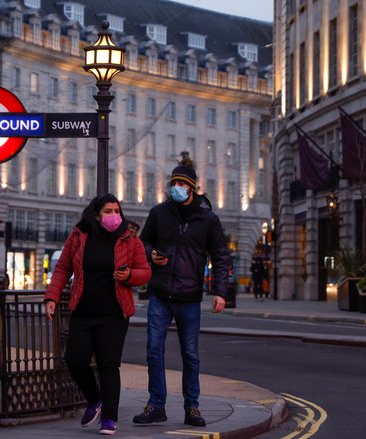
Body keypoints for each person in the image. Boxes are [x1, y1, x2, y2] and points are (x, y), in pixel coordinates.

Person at [44, 194, 151, 435]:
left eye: (117, 210)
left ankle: (109, 419)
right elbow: (63, 268)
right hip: (83, 311)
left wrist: (129, 276)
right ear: (96, 215)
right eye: (108, 211)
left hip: (114, 313)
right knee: (74, 359)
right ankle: (94, 400)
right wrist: (51, 297)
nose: (114, 216)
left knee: (108, 365)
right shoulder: (80, 235)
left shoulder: (130, 239)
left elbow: (145, 272)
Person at [133, 163, 229, 428]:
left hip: (189, 296)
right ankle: (156, 405)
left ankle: (192, 408)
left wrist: (220, 292)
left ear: (192, 187)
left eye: (183, 184)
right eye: (175, 183)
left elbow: (221, 256)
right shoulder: (159, 213)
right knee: (154, 350)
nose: (177, 188)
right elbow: (142, 243)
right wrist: (151, 254)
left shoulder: (208, 219)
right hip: (160, 293)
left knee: (191, 354)